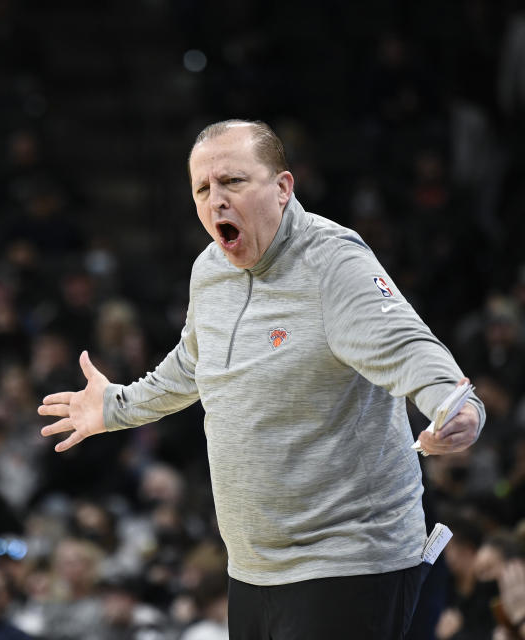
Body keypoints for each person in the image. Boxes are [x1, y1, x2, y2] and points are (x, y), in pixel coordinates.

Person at [38, 119, 486, 640]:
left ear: (282, 187)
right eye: (203, 189)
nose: (216, 201)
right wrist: (116, 406)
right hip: (251, 568)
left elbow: (407, 344)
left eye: (233, 181)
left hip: (349, 560)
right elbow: (192, 365)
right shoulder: (209, 268)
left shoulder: (333, 261)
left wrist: (456, 406)